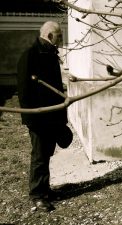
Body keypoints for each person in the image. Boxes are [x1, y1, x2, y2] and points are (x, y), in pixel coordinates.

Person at [17, 21, 72, 212]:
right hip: (39, 119)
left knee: (47, 154)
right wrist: (31, 120)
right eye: (59, 36)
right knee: (39, 156)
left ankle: (45, 190)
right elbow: (24, 93)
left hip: (51, 116)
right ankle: (37, 195)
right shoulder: (30, 56)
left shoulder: (49, 53)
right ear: (50, 36)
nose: (61, 39)